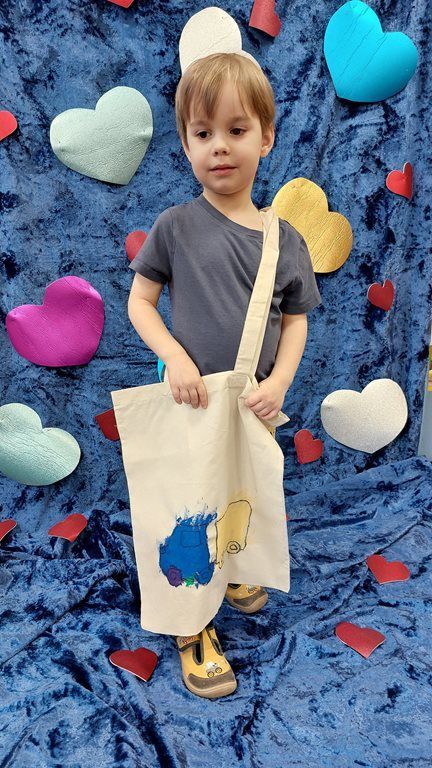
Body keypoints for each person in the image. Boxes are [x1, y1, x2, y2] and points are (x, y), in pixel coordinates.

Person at [127, 52, 322, 699]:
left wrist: (281, 382)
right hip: (189, 400)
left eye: (236, 130)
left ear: (266, 138)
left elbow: (295, 320)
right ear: (185, 145)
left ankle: (234, 569)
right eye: (202, 133)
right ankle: (191, 623)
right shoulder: (175, 227)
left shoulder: (283, 239)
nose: (219, 147)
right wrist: (176, 358)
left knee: (241, 492)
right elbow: (140, 303)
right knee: (188, 508)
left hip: (252, 402)